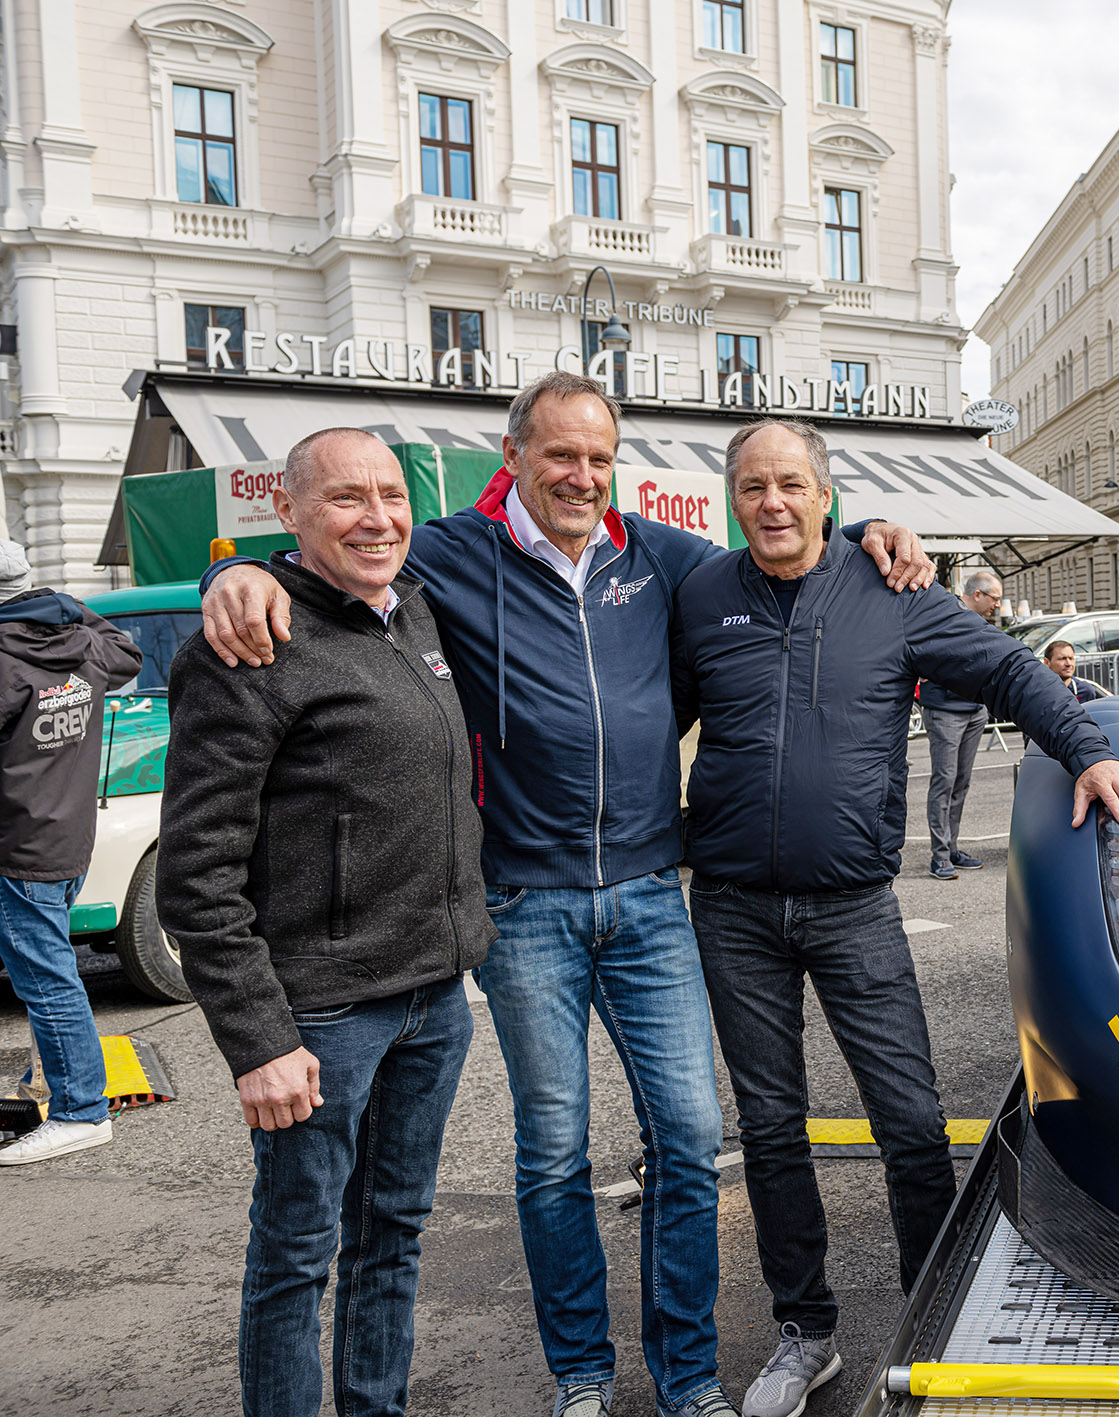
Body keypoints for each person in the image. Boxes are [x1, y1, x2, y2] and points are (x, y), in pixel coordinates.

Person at [196, 373, 931, 1417]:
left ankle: (684, 1381)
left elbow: (779, 550)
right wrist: (242, 576)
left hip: (645, 894)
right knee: (552, 1152)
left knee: (685, 1138)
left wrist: (870, 530)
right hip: (524, 904)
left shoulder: (662, 558)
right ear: (515, 458)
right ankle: (580, 1375)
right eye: (559, 456)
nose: (581, 475)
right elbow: (339, 562)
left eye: (598, 457)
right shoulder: (447, 553)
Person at [671, 418, 1119, 1417]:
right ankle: (804, 1332)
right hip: (729, 906)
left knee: (905, 1121)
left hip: (852, 904)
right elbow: (642, 718)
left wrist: (1085, 750)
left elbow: (1012, 670)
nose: (772, 501)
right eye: (754, 484)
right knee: (768, 1128)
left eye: (792, 483)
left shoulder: (892, 590)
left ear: (826, 495)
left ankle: (923, 1326)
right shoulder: (701, 594)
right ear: (733, 496)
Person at [159, 429, 494, 1417]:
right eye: (346, 498)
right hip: (324, 1021)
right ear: (289, 514)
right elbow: (198, 873)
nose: (378, 517)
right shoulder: (248, 646)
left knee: (392, 1236)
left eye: (391, 494)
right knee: (297, 1254)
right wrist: (259, 1040)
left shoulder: (413, 614)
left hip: (434, 998)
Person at [0, 538, 142, 1165]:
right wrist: (62, 605)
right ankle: (68, 1091)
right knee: (46, 970)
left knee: (47, 980)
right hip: (67, 836)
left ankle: (81, 1109)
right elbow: (127, 650)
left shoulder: (4, 660)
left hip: (19, 847)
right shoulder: (83, 644)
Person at [917, 570, 1003, 879]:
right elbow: (915, 643)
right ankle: (939, 856)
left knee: (961, 782)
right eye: (995, 599)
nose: (998, 606)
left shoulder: (982, 622)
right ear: (977, 595)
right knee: (945, 780)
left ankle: (951, 847)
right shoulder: (943, 611)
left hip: (973, 708)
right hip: (944, 709)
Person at [1042, 641, 1111, 704]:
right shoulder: (1037, 691)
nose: (1068, 664)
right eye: (1062, 659)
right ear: (1046, 662)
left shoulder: (1085, 690)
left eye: (1071, 658)